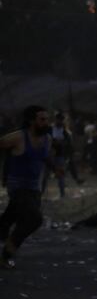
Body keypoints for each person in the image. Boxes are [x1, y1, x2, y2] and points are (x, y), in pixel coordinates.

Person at [0, 106, 57, 269]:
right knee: (34, 219)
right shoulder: (19, 137)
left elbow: (45, 156)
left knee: (13, 219)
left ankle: (4, 232)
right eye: (42, 119)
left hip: (34, 188)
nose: (46, 122)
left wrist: (56, 168)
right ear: (32, 121)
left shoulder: (47, 139)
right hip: (17, 187)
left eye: (47, 119)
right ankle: (6, 255)